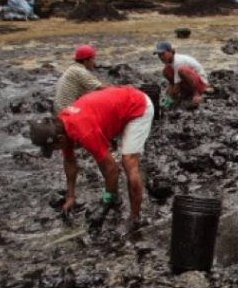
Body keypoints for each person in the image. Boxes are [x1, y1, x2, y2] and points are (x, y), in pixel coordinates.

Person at [28, 87, 154, 229]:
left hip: (138, 106)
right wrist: (70, 197)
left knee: (128, 163)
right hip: (118, 105)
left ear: (59, 139)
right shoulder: (62, 125)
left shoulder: (84, 132)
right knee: (102, 158)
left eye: (53, 148)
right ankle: (115, 198)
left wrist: (105, 203)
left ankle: (135, 218)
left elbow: (112, 169)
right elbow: (69, 162)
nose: (55, 151)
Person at [53, 44, 108, 115]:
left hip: (60, 109)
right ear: (86, 61)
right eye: (93, 59)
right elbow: (102, 88)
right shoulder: (80, 72)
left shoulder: (72, 69)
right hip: (68, 111)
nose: (94, 63)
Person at [153, 41, 209, 107]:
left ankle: (196, 94)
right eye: (159, 55)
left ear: (171, 51)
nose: (161, 57)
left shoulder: (178, 61)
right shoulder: (169, 62)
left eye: (163, 54)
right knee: (166, 70)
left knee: (182, 70)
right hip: (189, 83)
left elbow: (177, 86)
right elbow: (172, 83)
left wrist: (172, 98)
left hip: (200, 83)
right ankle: (186, 92)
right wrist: (168, 95)